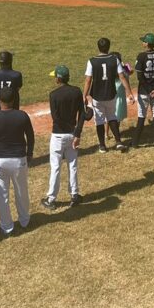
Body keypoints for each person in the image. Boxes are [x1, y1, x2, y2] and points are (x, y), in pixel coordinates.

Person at [0, 88, 34, 236]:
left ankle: (7, 227)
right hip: (19, 159)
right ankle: (24, 221)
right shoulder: (22, 116)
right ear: (13, 100)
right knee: (21, 191)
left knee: (2, 195)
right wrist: (29, 154)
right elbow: (30, 137)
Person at [42, 66, 86, 208]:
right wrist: (77, 133)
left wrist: (70, 129)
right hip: (72, 135)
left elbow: (56, 118)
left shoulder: (53, 95)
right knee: (72, 165)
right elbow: (82, 114)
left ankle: (51, 199)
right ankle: (74, 195)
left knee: (55, 167)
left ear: (59, 78)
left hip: (58, 135)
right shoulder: (76, 91)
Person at [83, 38, 133, 152]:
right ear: (109, 47)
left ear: (98, 47)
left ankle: (102, 146)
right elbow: (122, 76)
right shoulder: (114, 59)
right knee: (112, 117)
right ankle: (119, 142)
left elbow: (88, 80)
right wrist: (129, 92)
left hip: (97, 95)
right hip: (111, 94)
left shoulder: (91, 61)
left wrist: (84, 95)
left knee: (99, 120)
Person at [133, 34, 154, 147]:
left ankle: (135, 143)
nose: (142, 43)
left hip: (144, 90)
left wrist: (148, 90)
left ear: (147, 43)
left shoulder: (141, 56)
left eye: (144, 41)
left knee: (141, 115)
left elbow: (140, 77)